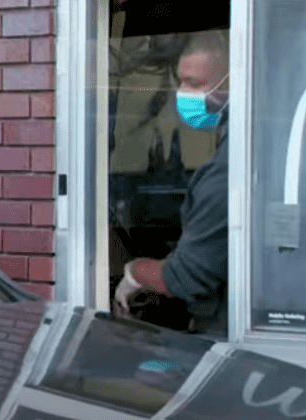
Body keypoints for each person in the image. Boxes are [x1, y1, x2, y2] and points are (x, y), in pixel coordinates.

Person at [114, 30, 230, 336]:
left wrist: (134, 272)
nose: (181, 93)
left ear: (231, 83)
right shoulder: (232, 147)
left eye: (194, 83)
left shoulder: (228, 170)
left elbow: (186, 277)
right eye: (180, 81)